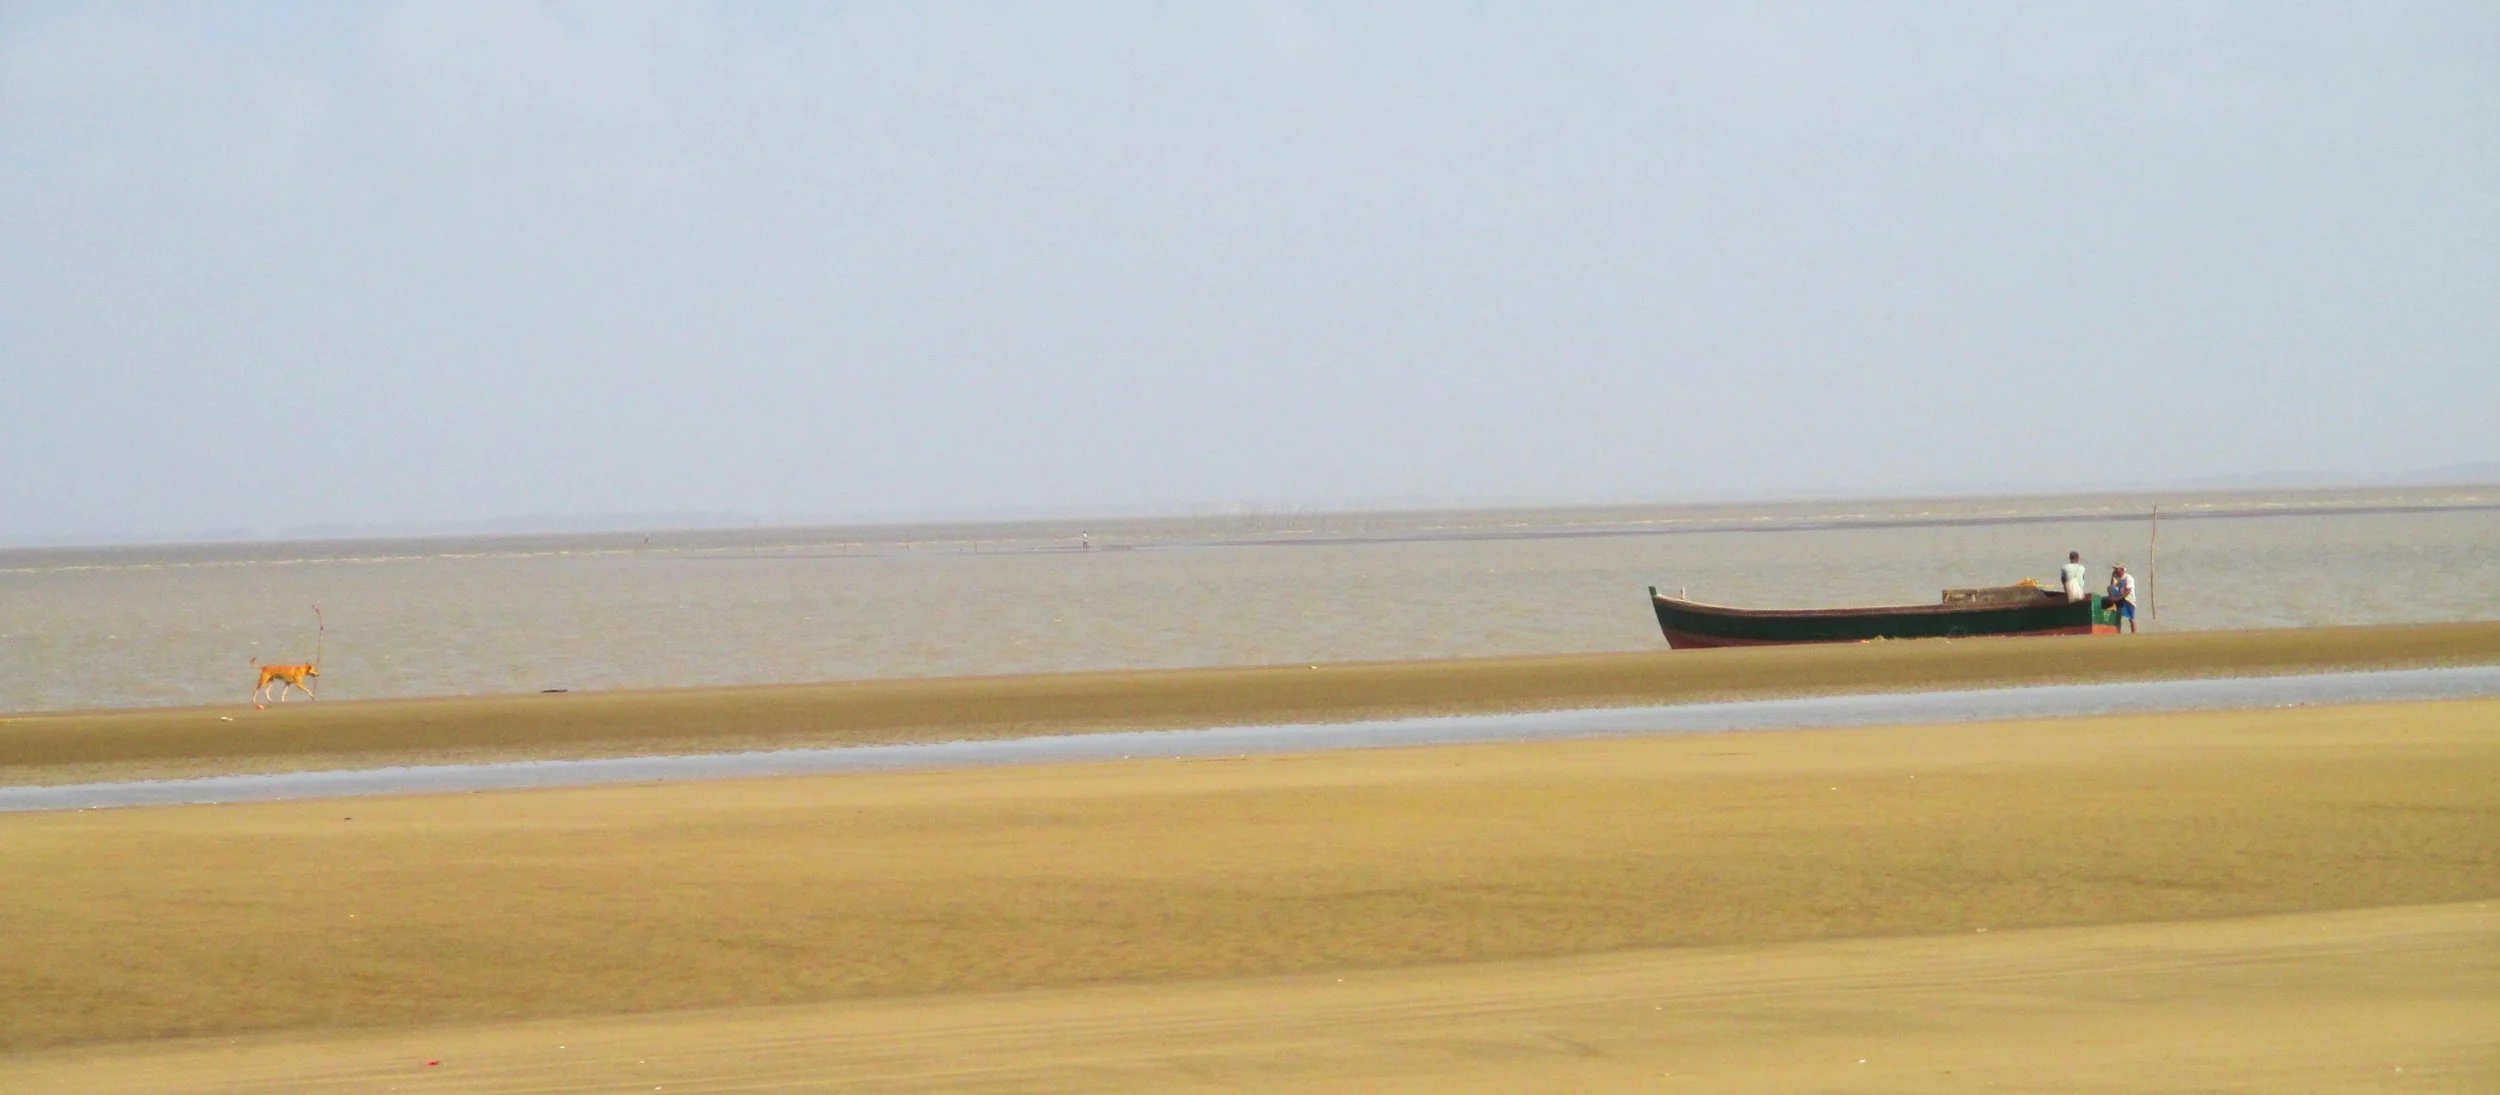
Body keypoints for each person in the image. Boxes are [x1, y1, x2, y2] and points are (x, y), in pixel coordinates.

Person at [2107, 564, 2139, 633]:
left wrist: (2118, 598)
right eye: (2115, 569)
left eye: (2117, 569)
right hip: (2121, 596)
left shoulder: (2128, 578)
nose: (2115, 571)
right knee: (2110, 588)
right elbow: (2112, 586)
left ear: (2122, 570)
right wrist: (2112, 576)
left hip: (2129, 599)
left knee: (2131, 618)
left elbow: (2128, 591)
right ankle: (2113, 606)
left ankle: (2134, 634)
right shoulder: (2116, 577)